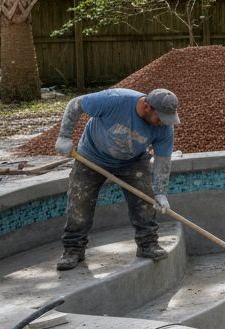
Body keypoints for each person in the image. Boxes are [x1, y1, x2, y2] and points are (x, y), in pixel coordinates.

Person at [52, 87, 180, 271]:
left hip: (132, 162)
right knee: (79, 203)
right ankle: (73, 250)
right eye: (159, 117)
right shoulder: (115, 100)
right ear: (146, 106)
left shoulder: (164, 128)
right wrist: (64, 136)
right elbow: (75, 104)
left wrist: (160, 192)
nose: (162, 123)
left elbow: (163, 161)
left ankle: (147, 244)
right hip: (92, 156)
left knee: (145, 201)